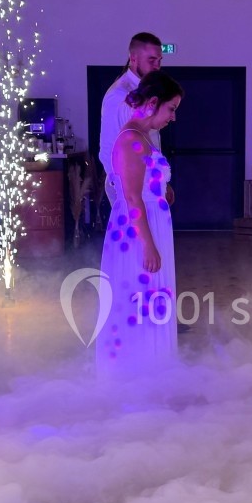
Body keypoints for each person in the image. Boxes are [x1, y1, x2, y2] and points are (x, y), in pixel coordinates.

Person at [96, 72, 183, 374]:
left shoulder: (144, 137)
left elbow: (145, 187)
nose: (173, 118)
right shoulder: (131, 140)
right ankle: (137, 369)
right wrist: (148, 245)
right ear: (153, 103)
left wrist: (162, 192)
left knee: (152, 297)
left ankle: (154, 366)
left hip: (151, 222)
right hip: (136, 231)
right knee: (140, 295)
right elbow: (132, 198)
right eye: (171, 109)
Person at [99, 32, 163, 202]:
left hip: (146, 182)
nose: (157, 66)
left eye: (159, 60)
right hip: (129, 186)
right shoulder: (120, 94)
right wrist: (123, 188)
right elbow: (108, 147)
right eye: (151, 60)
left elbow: (150, 138)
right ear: (133, 58)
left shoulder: (145, 89)